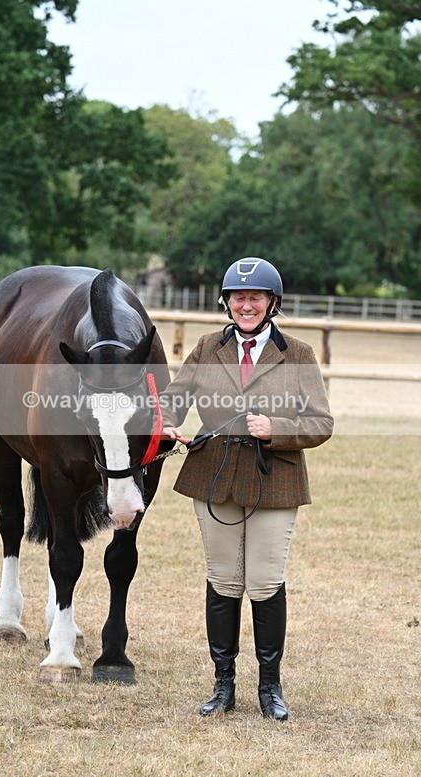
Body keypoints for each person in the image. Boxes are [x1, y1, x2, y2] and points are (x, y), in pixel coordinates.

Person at [160, 257, 333, 720]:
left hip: (274, 480)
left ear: (272, 303)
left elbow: (321, 422)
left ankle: (270, 687)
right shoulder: (206, 346)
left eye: (255, 297)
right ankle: (223, 684)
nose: (246, 305)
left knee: (264, 581)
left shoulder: (297, 354)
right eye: (238, 297)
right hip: (212, 476)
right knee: (223, 581)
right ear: (226, 302)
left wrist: (273, 427)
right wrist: (168, 423)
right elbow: (176, 397)